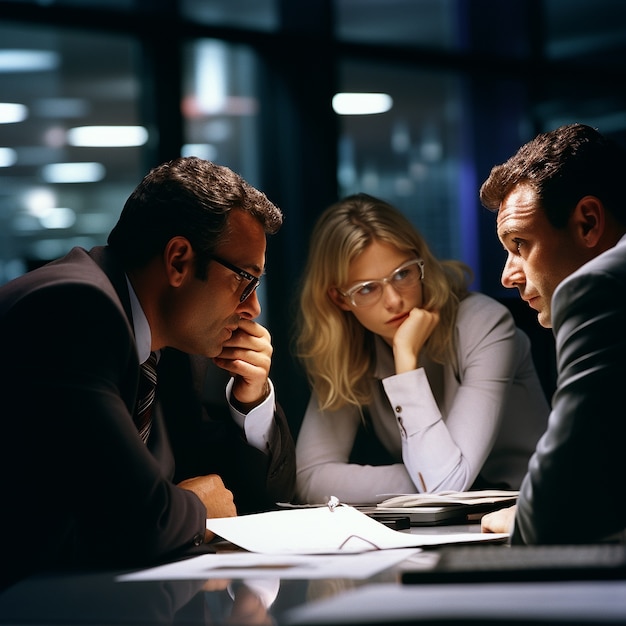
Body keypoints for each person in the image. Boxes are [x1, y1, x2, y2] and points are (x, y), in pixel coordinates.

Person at [0, 157, 296, 590]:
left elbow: (249, 504)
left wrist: (249, 401)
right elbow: (136, 518)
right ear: (178, 260)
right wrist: (195, 505)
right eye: (245, 280)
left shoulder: (170, 344)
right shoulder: (72, 308)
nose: (254, 308)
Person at [293, 193, 549, 505]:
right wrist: (423, 476)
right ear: (340, 299)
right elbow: (309, 478)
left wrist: (406, 363)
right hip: (440, 526)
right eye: (368, 288)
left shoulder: (486, 324)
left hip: (531, 516)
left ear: (421, 264)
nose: (394, 300)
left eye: (402, 274)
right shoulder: (350, 346)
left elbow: (444, 486)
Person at [479, 123, 626, 544]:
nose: (508, 275)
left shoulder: (601, 289)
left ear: (587, 223)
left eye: (520, 244)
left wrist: (524, 514)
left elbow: (552, 513)